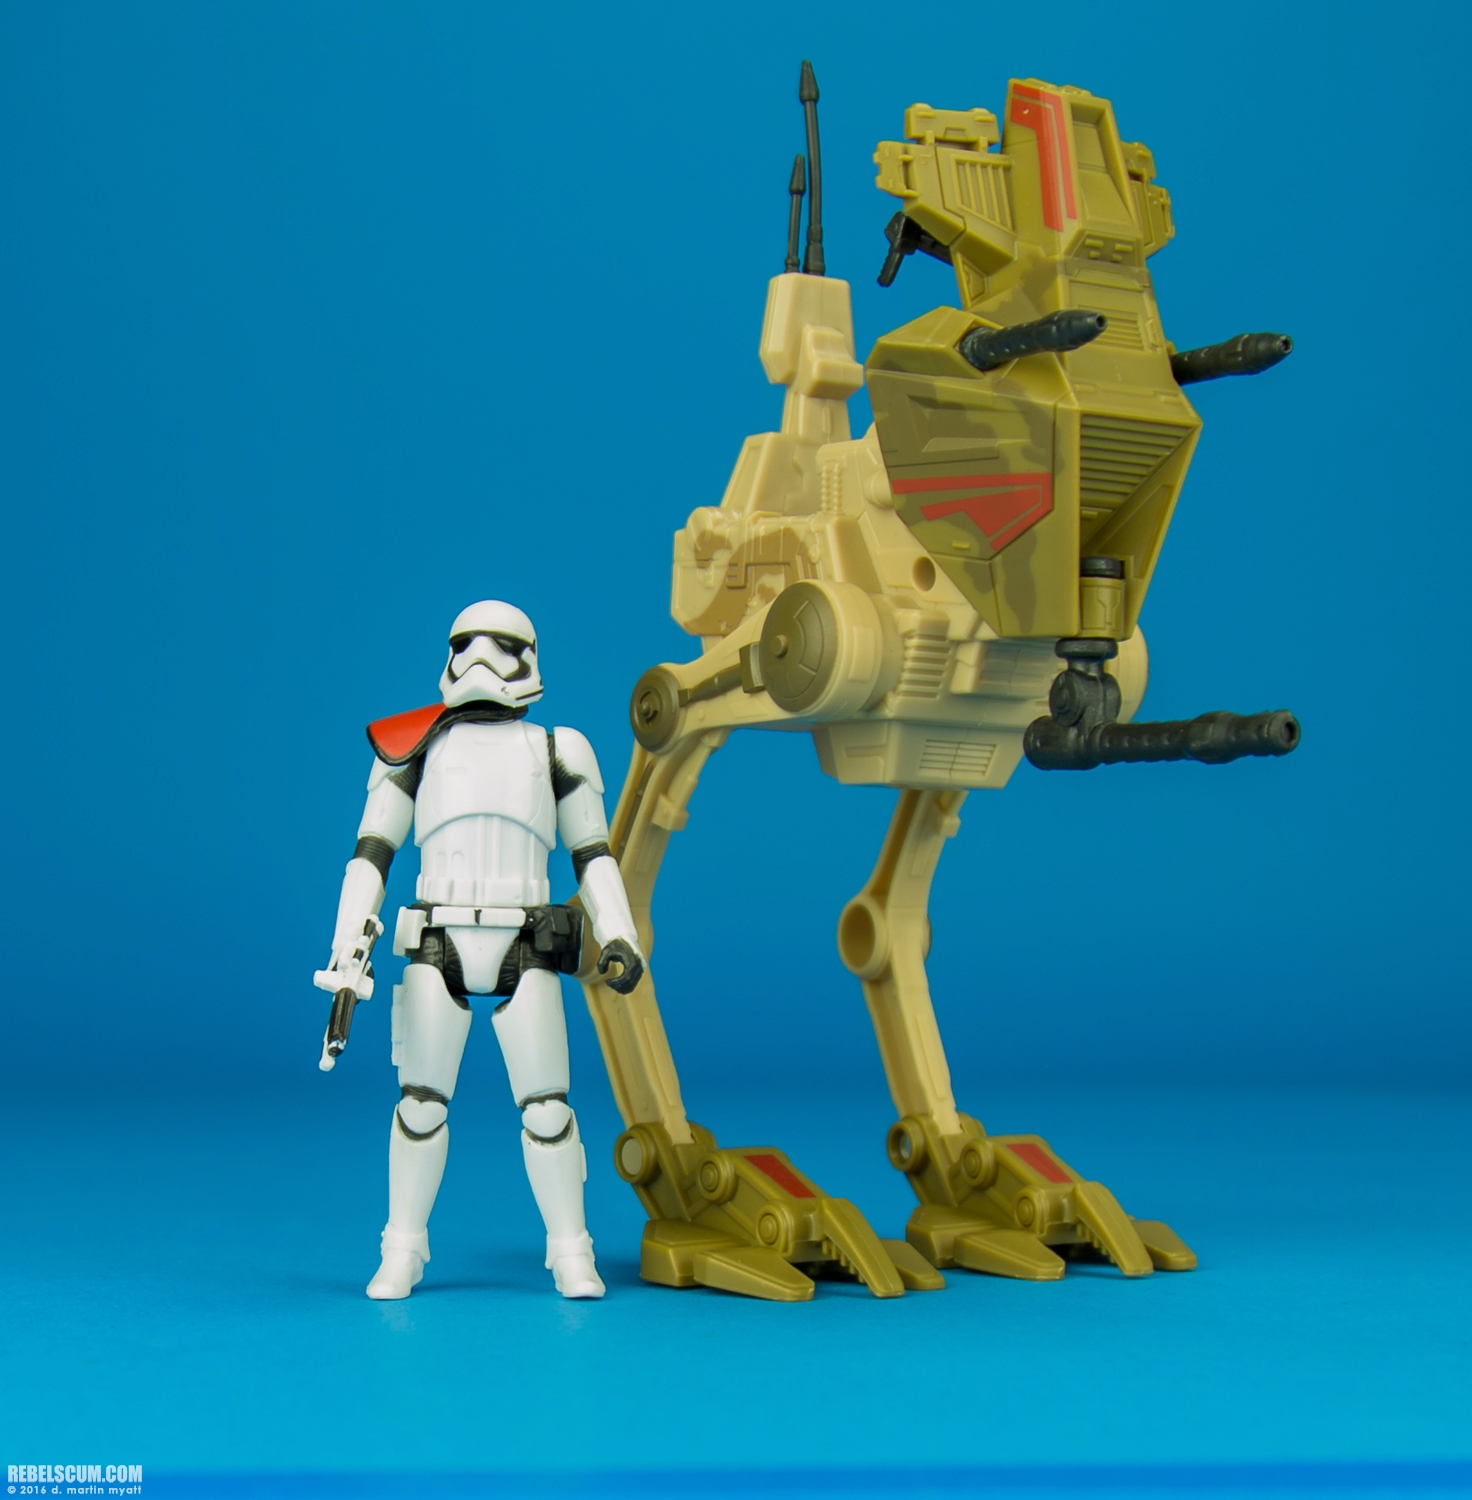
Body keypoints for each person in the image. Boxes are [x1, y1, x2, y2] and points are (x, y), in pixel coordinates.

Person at [316, 600, 644, 1300]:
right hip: (438, 940)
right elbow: (371, 853)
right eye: (466, 645)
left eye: (498, 646)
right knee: (419, 1104)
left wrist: (620, 931)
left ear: (528, 657)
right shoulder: (414, 745)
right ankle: (402, 1248)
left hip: (527, 940)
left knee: (548, 1108)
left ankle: (571, 1250)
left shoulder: (557, 749)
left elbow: (593, 855)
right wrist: (348, 941)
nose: (480, 661)